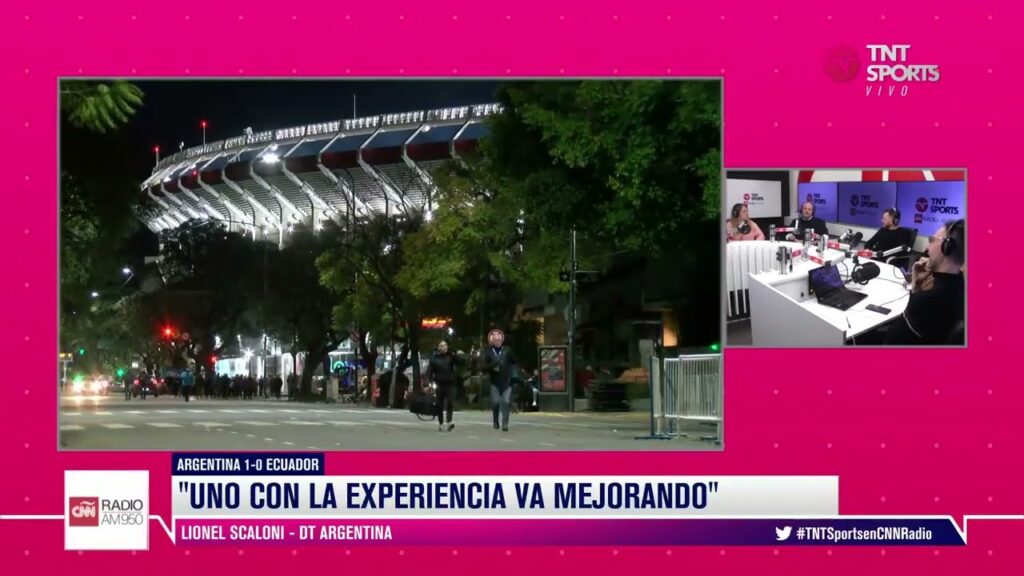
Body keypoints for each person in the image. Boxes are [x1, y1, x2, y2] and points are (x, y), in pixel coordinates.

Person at [885, 219, 965, 345]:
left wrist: (915, 292)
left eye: (932, 240)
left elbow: (892, 340)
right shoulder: (960, 287)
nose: (927, 247)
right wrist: (916, 285)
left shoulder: (928, 301)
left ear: (947, 247)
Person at [480, 329, 517, 432]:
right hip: (494, 381)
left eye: (499, 339)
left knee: (505, 402)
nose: (497, 341)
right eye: (495, 340)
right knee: (495, 402)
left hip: (506, 381)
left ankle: (505, 424)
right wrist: (493, 364)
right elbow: (483, 367)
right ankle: (495, 421)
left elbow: (514, 362)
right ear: (491, 341)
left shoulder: (507, 351)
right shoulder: (488, 353)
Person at [425, 341, 462, 432]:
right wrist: (429, 383)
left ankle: (449, 422)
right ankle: (441, 423)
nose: (444, 347)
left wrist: (454, 354)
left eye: (445, 345)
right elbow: (429, 372)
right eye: (441, 346)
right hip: (439, 384)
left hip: (450, 384)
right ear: (438, 348)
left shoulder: (450, 356)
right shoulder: (434, 358)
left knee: (450, 402)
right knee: (439, 405)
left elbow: (459, 362)